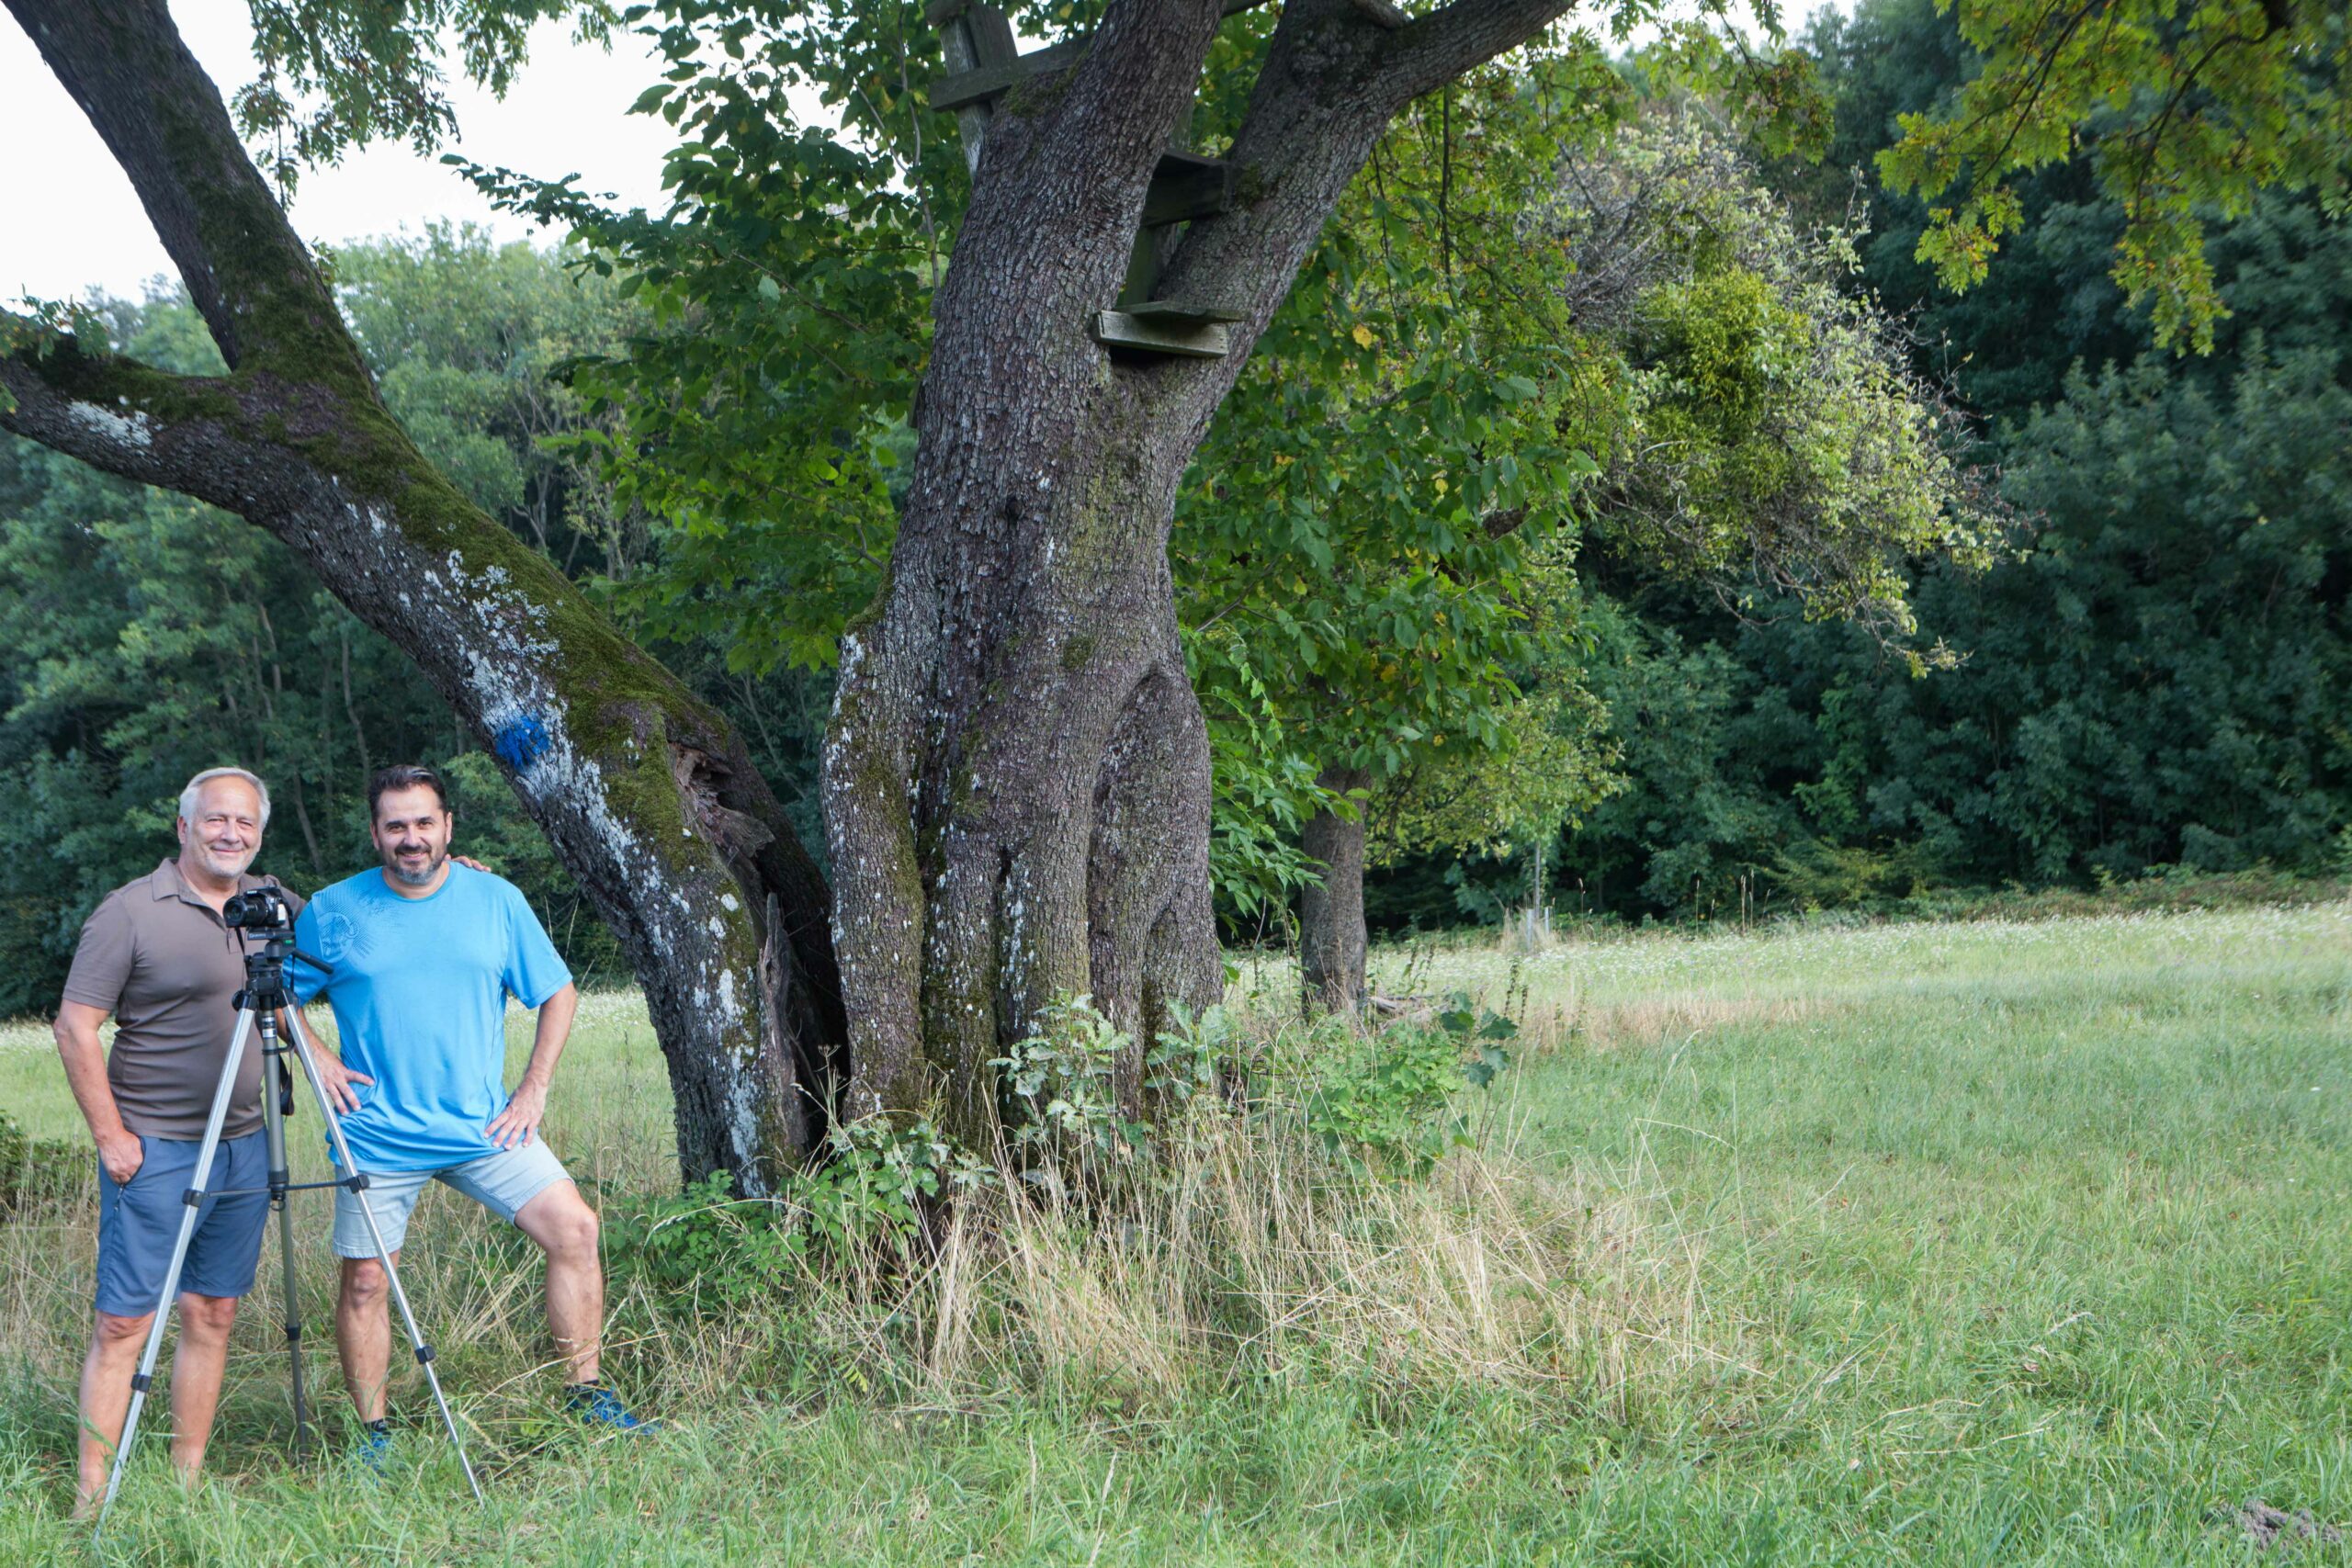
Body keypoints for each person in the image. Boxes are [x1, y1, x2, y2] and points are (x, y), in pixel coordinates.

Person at [291, 762, 651, 1458]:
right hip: (379, 1132)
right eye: (395, 824)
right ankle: (374, 1436)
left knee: (575, 1229)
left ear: (448, 827)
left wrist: (534, 1087)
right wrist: (320, 1056)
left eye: (424, 822)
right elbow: (277, 993)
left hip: (485, 1126)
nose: (411, 837)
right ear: (374, 833)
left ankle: (586, 1396)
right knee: (366, 1279)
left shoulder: (495, 899)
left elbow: (559, 990)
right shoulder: (333, 909)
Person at [52, 767, 313, 1511]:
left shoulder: (271, 905)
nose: (230, 833)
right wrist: (112, 1138)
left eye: (245, 823)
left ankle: (185, 1480)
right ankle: (91, 1496)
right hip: (155, 1146)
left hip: (243, 1142)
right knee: (125, 1318)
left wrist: (457, 872)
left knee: (212, 1311)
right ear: (184, 827)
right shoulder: (130, 911)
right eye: (216, 820)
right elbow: (75, 1026)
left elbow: (355, 922)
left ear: (260, 833)